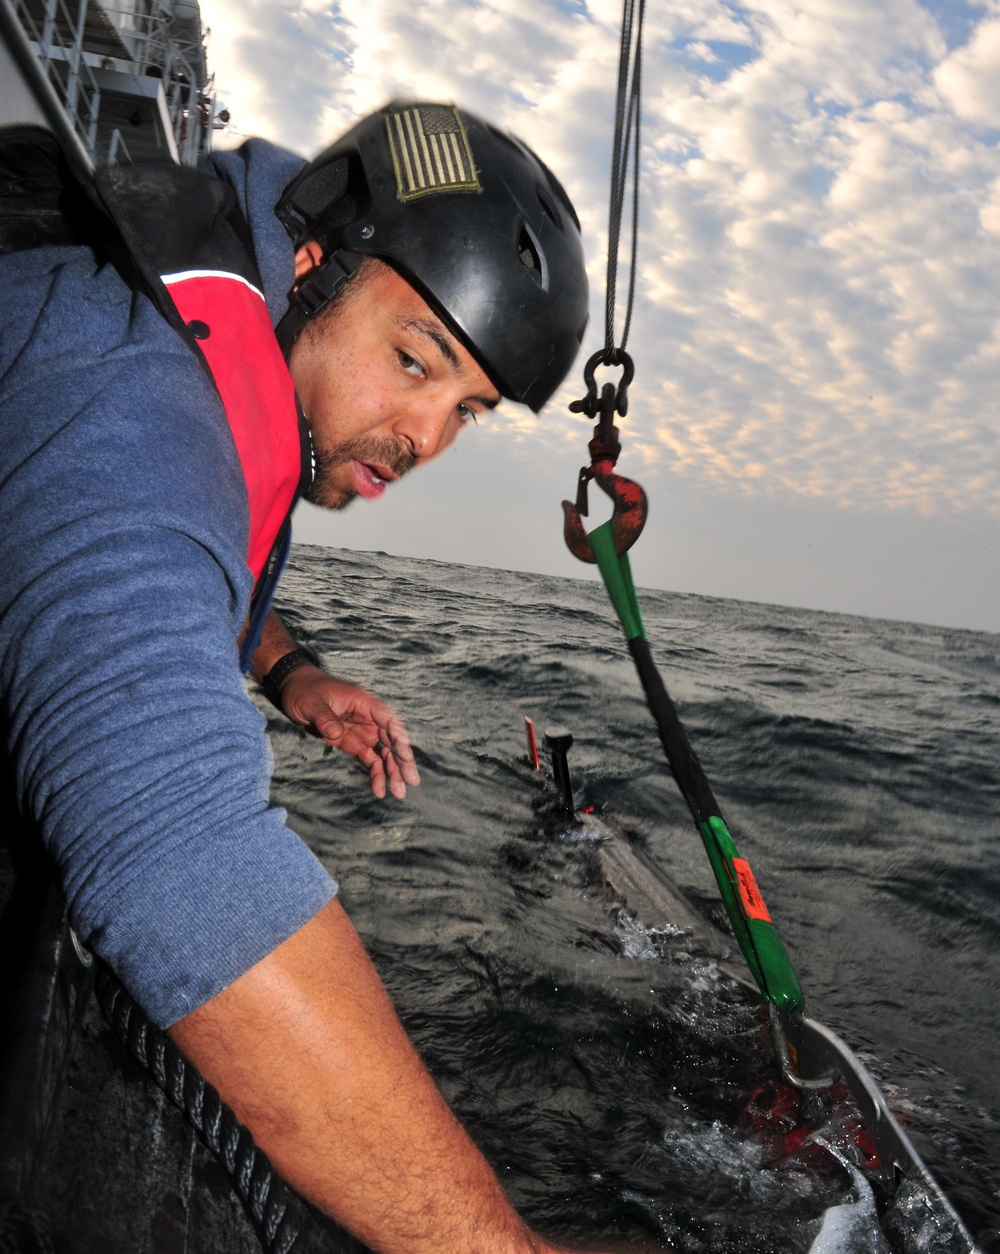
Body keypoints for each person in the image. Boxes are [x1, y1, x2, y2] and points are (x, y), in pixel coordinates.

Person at [0, 101, 664, 1252]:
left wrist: (290, 669)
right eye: (413, 361)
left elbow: (184, 559)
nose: (421, 439)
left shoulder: (226, 354)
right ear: (311, 264)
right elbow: (174, 852)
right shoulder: (134, 399)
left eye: (464, 410)